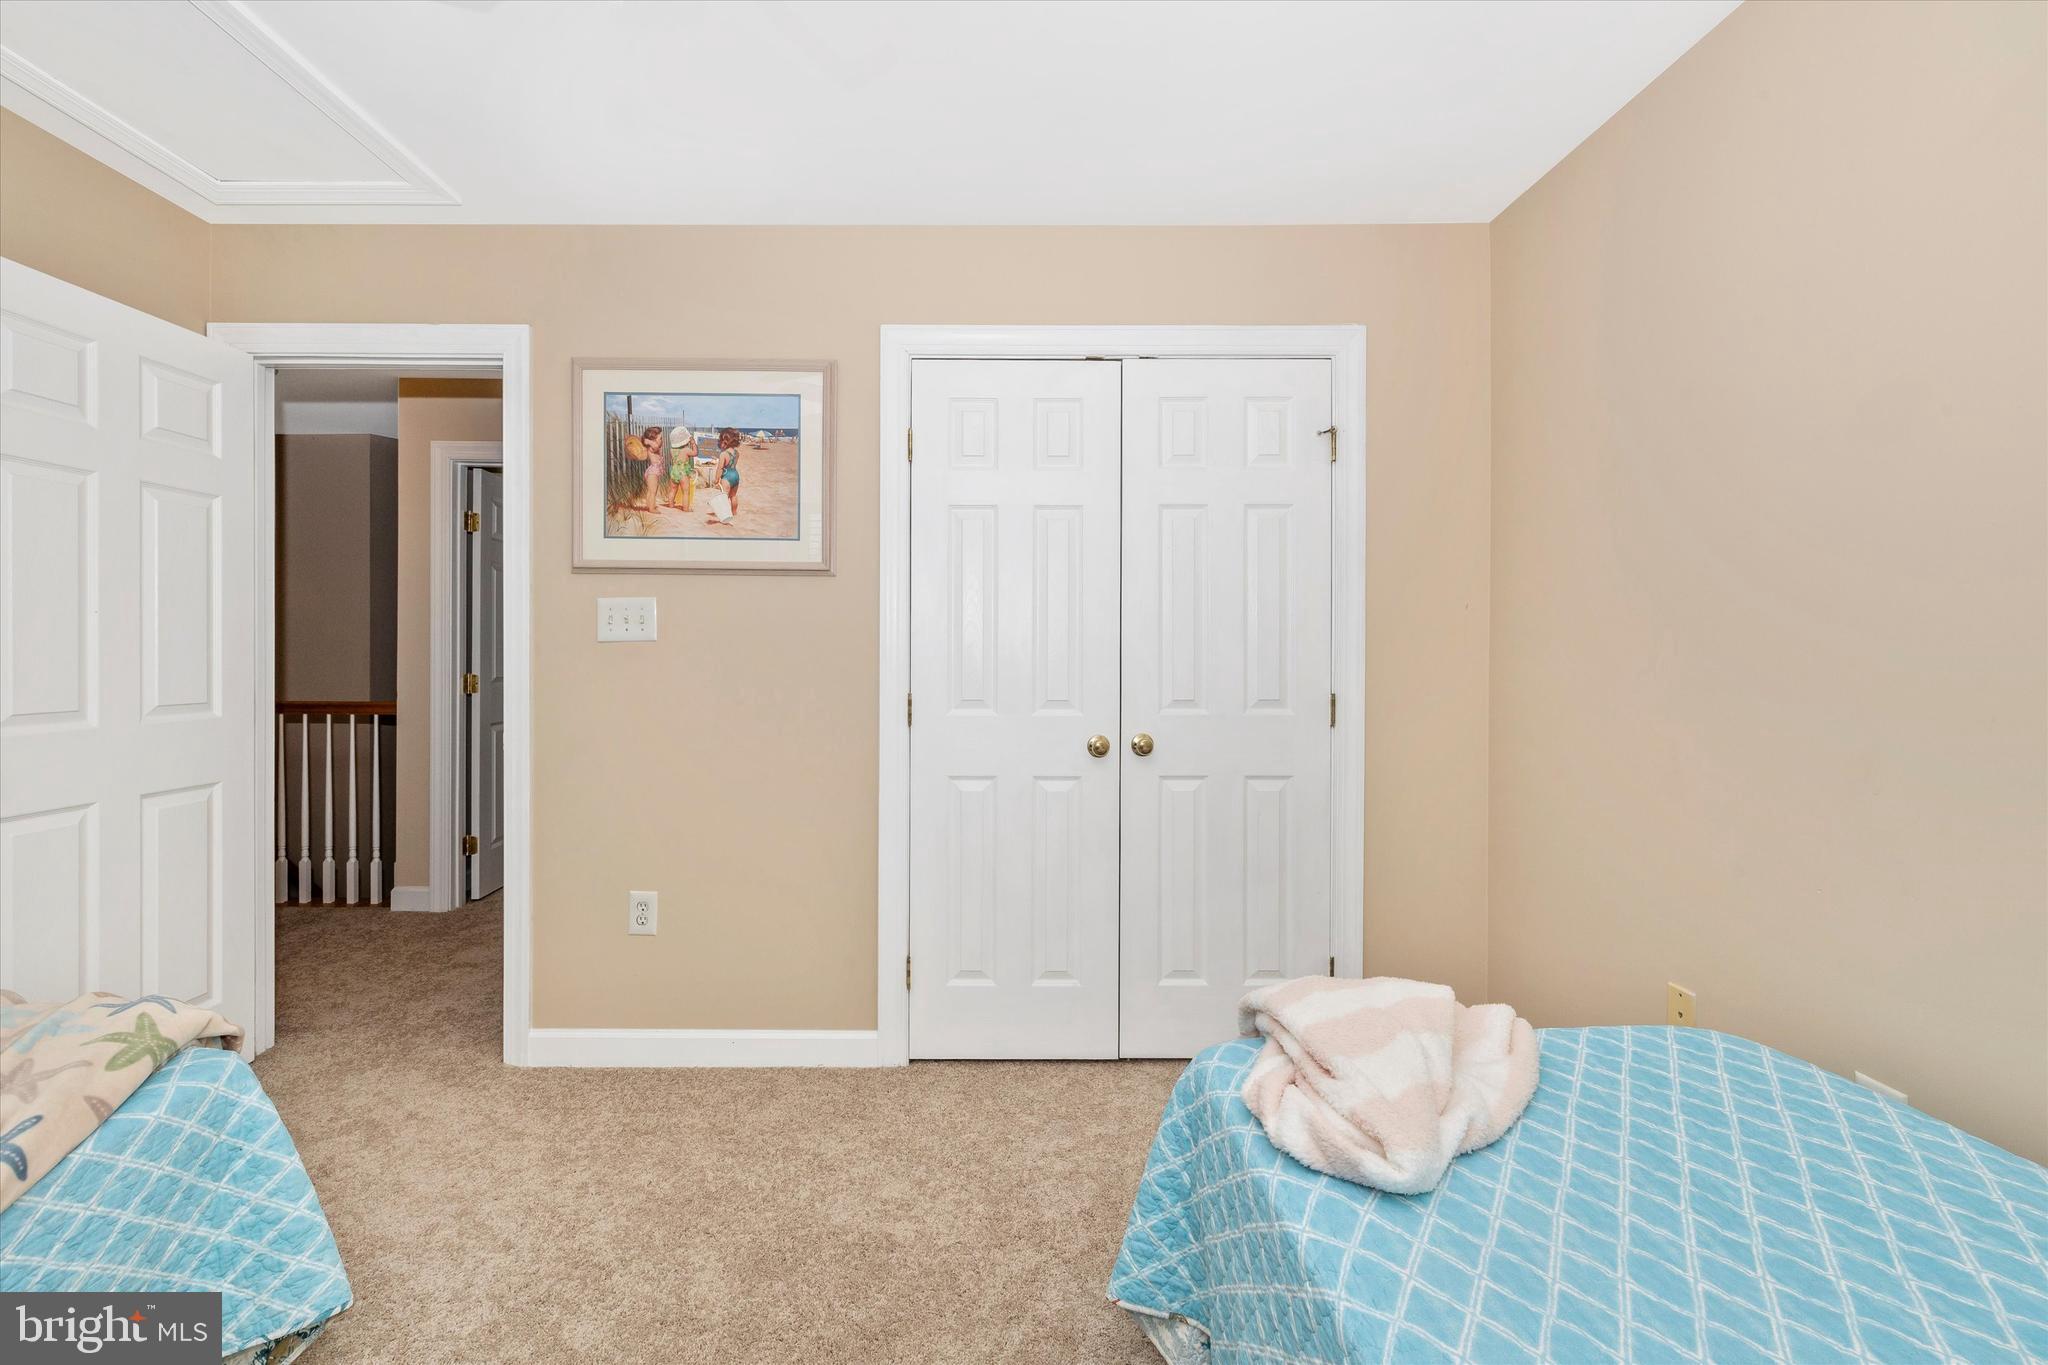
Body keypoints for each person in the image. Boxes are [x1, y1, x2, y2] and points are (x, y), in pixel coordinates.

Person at [707, 427, 744, 523]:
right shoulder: (737, 453)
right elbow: (733, 463)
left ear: (725, 442)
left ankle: (725, 514)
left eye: (722, 442)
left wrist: (716, 479)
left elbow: (720, 468)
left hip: (727, 476)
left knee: (724, 497)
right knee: (733, 496)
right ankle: (734, 512)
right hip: (735, 474)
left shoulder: (723, 454)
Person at [667, 424, 699, 511]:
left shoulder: (672, 450)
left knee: (673, 490)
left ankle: (670, 505)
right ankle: (685, 508)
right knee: (686, 492)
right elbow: (695, 453)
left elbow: (673, 459)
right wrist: (693, 443)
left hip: (674, 471)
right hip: (683, 472)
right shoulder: (686, 450)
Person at [636, 426, 667, 513]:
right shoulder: (652, 448)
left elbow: (656, 446)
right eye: (660, 438)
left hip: (653, 472)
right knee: (652, 491)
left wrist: (650, 441)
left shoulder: (654, 447)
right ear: (653, 441)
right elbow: (656, 446)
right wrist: (649, 441)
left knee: (652, 491)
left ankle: (649, 505)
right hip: (653, 473)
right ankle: (651, 509)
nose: (662, 440)